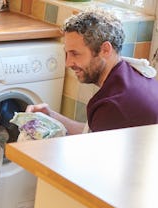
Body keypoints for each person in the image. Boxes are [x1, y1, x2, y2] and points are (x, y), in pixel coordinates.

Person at [26, 8, 158, 134]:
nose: (68, 63)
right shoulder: (132, 75)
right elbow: (92, 134)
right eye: (66, 53)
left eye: (75, 54)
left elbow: (91, 147)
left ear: (105, 50)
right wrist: (51, 116)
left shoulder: (113, 104)